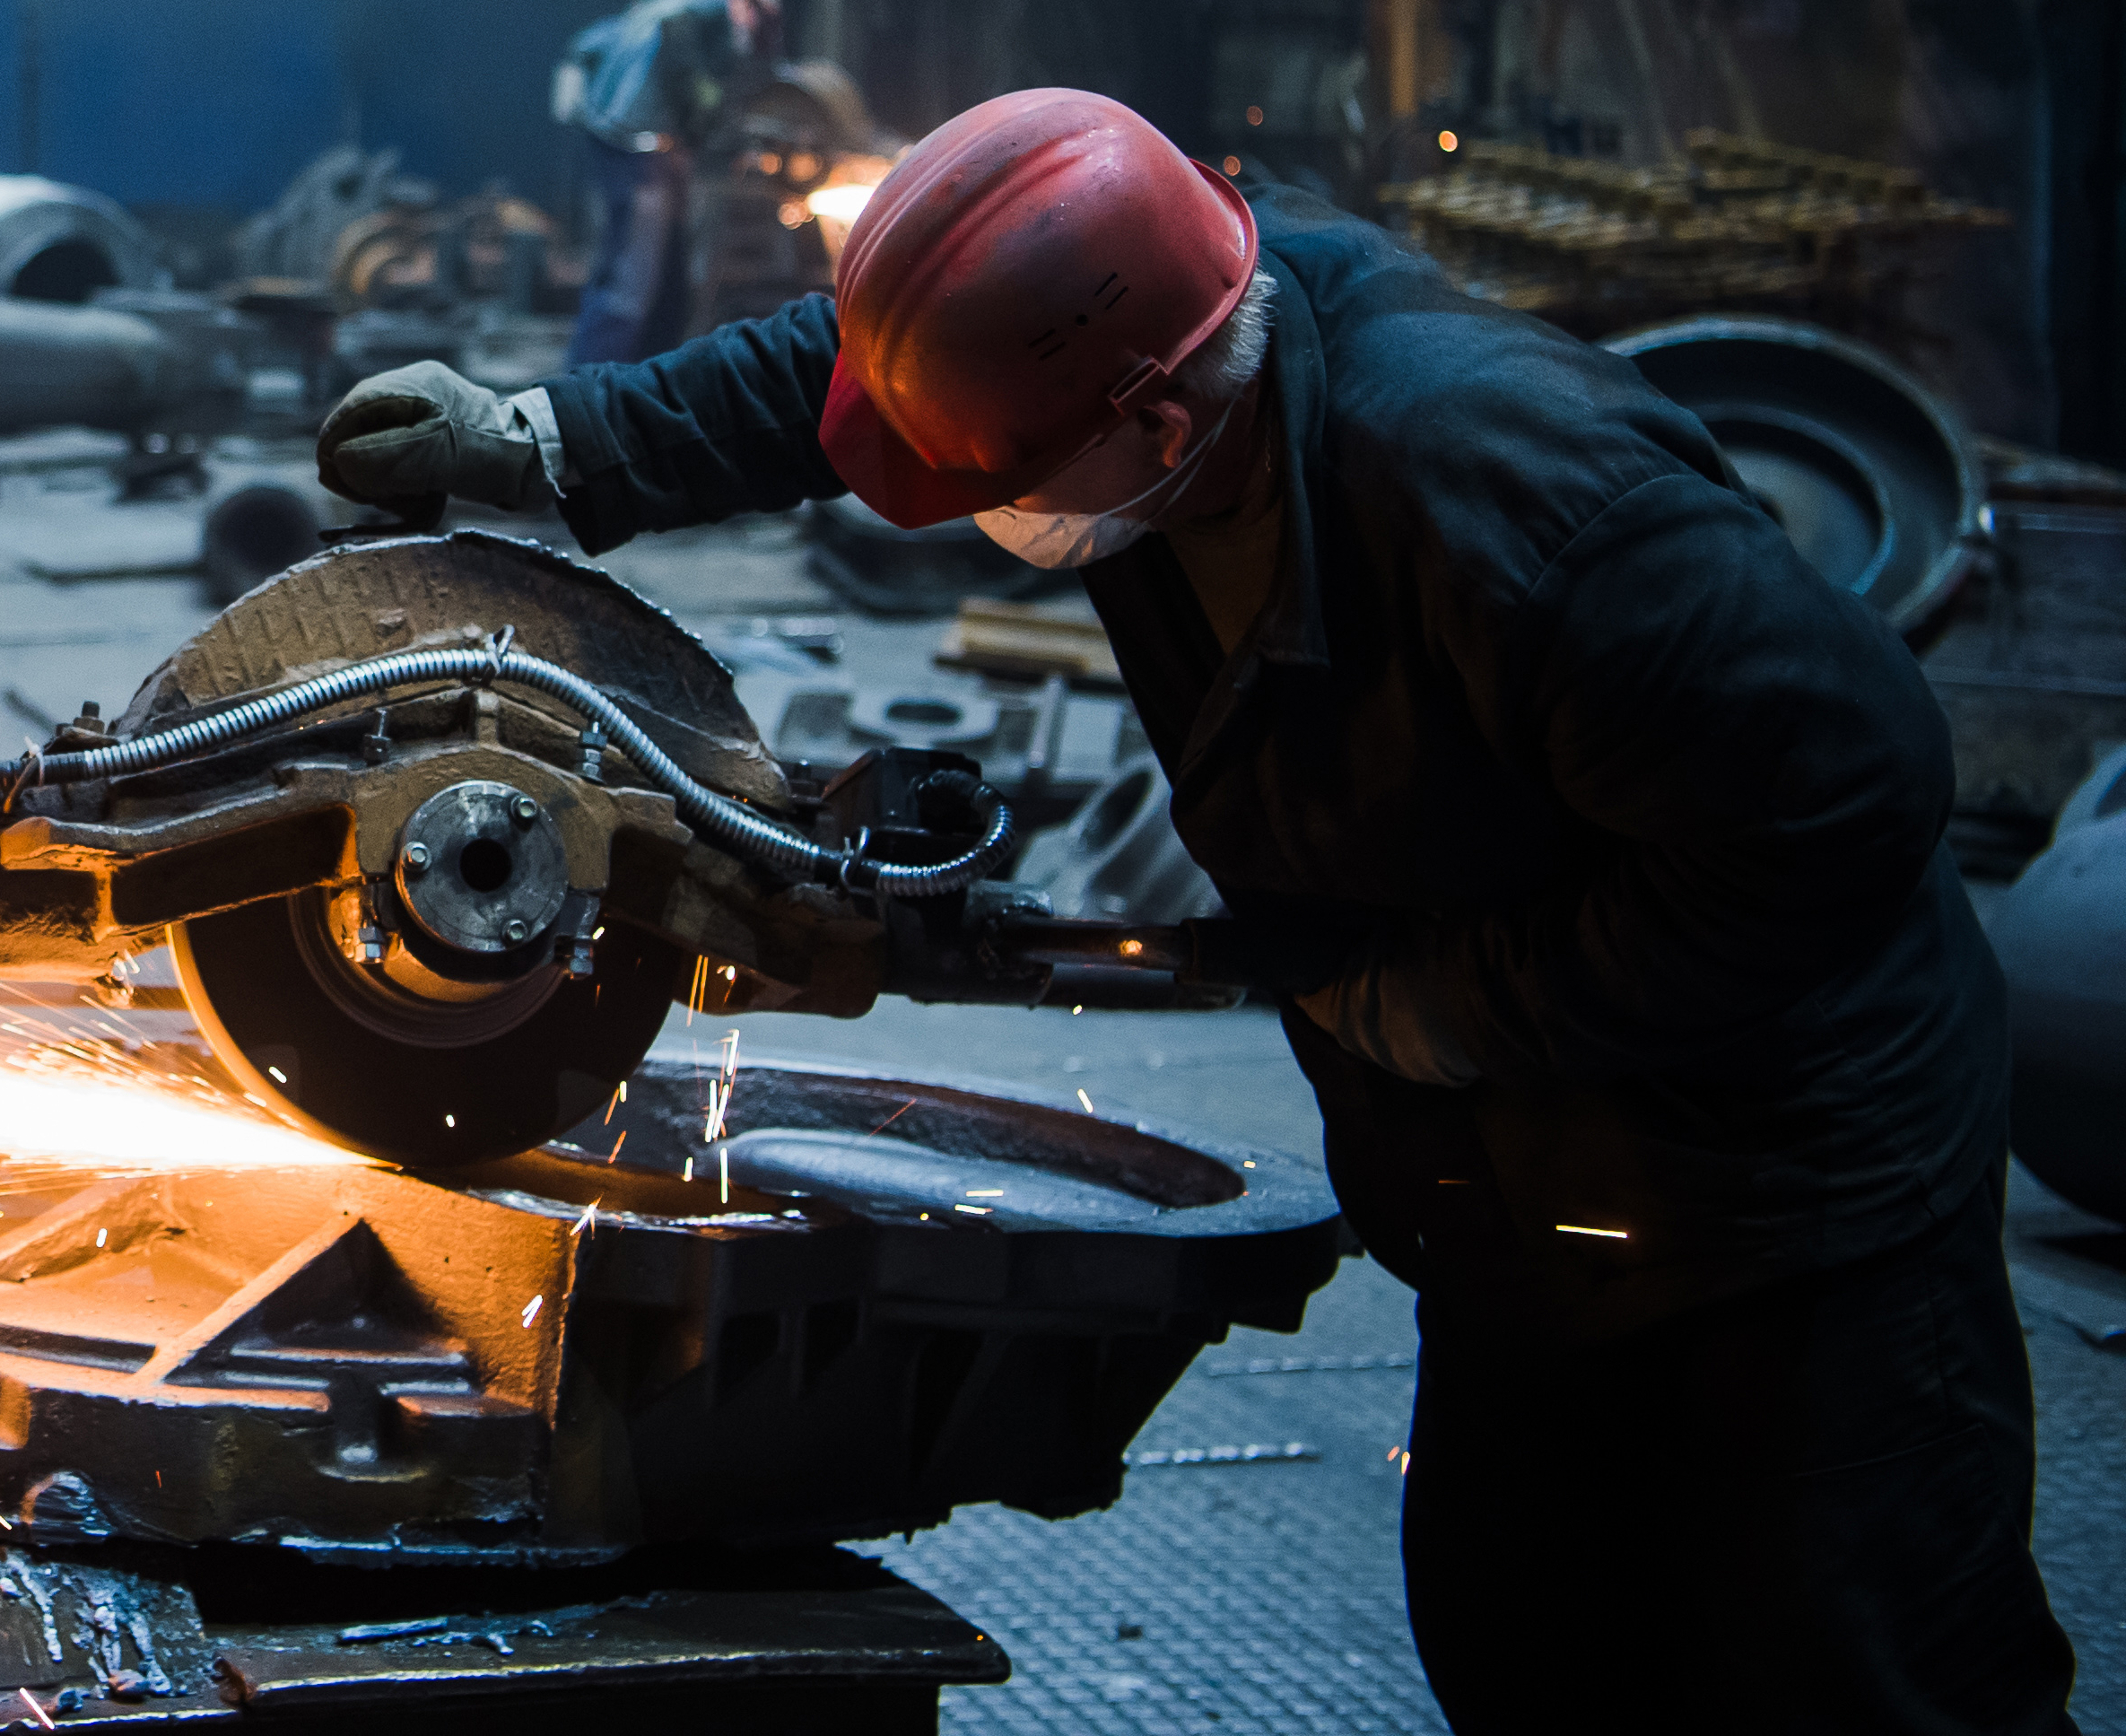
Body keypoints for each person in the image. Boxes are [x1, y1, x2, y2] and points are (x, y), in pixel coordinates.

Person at [313, 87, 2069, 1736]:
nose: (972, 499)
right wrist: (553, 440)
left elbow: (1840, 812)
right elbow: (863, 374)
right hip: (1509, 1187)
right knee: (1534, 1640)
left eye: (997, 478)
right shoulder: (1163, 296)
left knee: (1851, 1664)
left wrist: (1458, 1008)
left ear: (1156, 420)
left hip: (1777, 1177)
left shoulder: (1540, 512)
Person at [553, 0, 780, 364]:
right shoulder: (707, 6)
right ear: (747, 6)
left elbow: (588, 44)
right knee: (631, 281)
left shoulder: (671, 1)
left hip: (633, 148)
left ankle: (651, 377)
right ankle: (590, 382)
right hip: (639, 150)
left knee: (668, 280)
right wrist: (703, 120)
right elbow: (684, 61)